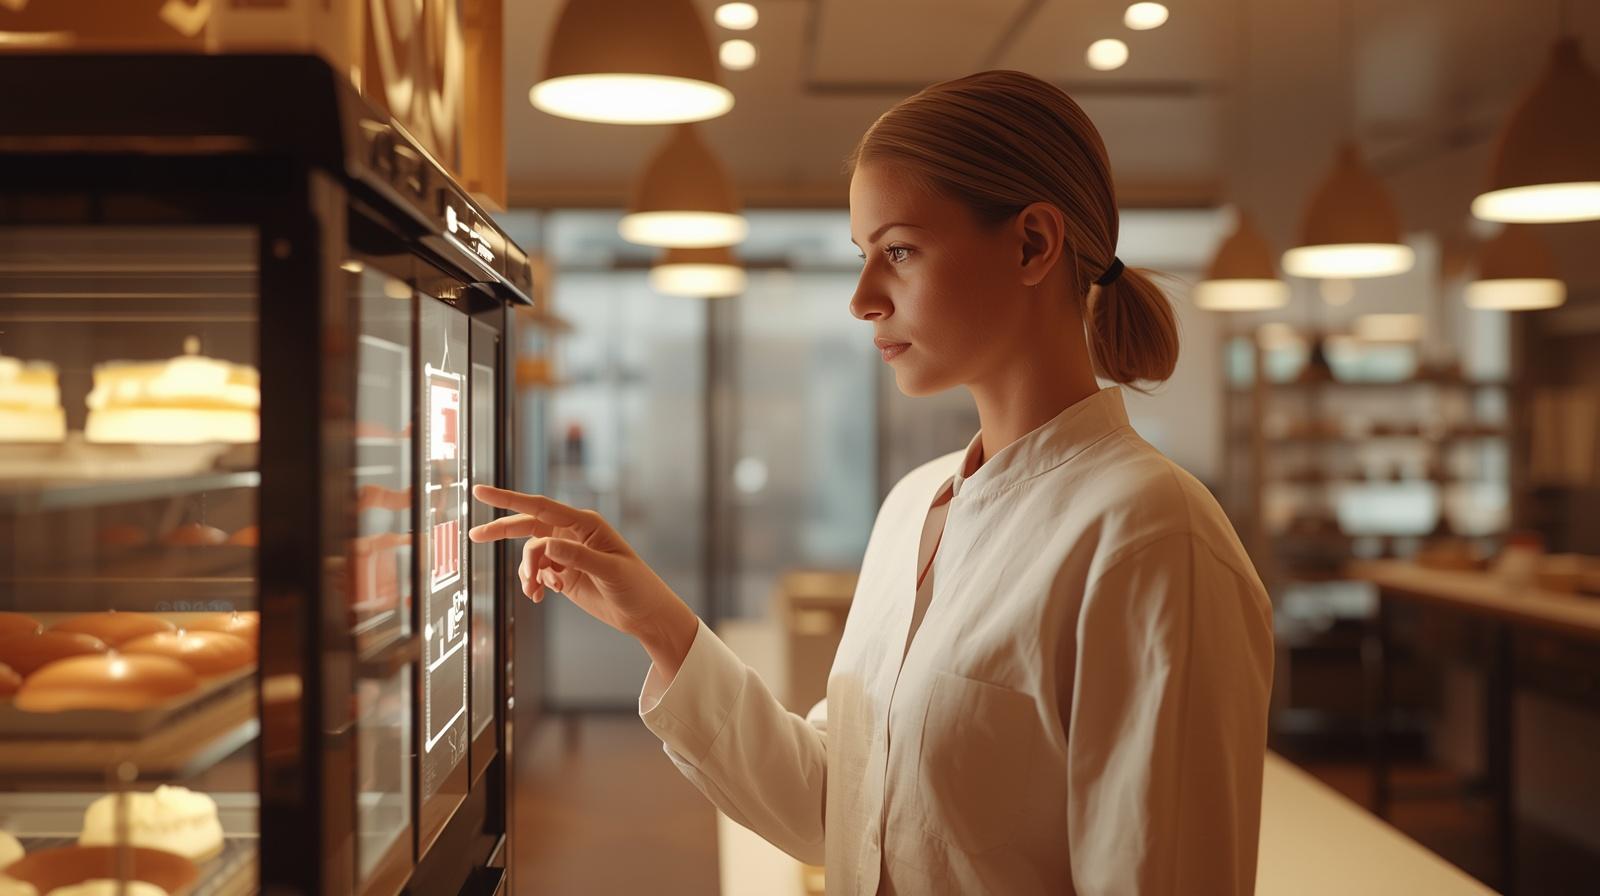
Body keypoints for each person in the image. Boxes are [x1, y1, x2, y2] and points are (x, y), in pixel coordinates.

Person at [470, 70, 1273, 895]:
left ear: (1032, 244)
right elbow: (840, 811)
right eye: (863, 257)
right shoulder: (914, 506)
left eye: (899, 251)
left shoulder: (1151, 537)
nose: (860, 299)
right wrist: (659, 624)